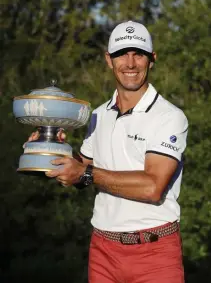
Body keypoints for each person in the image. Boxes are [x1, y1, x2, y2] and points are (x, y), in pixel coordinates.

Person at [30, 20, 188, 283]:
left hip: (155, 252)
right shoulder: (98, 115)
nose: (130, 63)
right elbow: (80, 170)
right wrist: (48, 150)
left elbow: (153, 186)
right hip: (103, 251)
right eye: (121, 54)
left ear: (152, 59)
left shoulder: (170, 117)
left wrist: (86, 172)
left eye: (138, 54)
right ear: (108, 60)